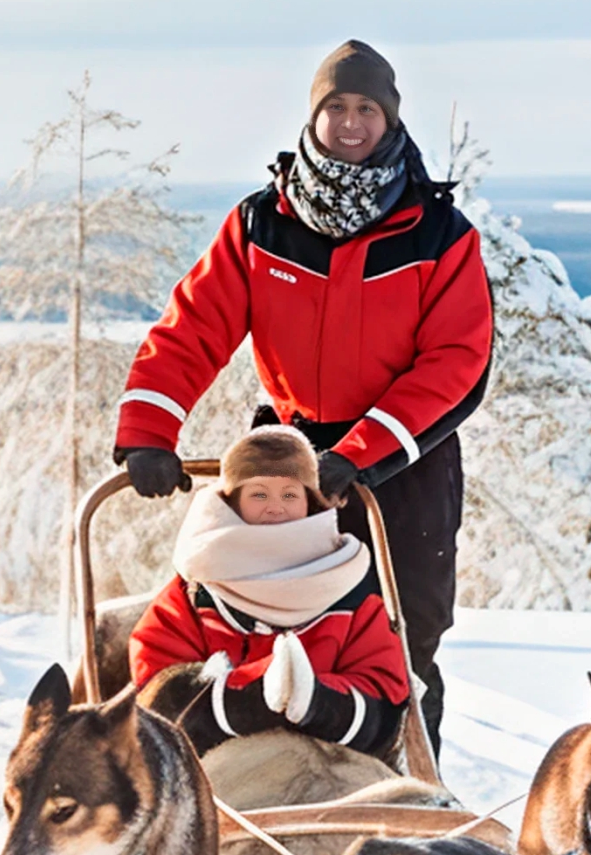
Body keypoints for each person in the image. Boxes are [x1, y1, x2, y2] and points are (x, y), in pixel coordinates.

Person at [112, 39, 491, 755]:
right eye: (336, 107)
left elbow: (457, 365)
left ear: (390, 120)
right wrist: (148, 430)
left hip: (402, 464)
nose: (351, 123)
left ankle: (405, 799)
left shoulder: (439, 235)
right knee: (253, 618)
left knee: (400, 640)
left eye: (367, 109)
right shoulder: (263, 225)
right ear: (314, 117)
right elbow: (193, 326)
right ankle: (249, 786)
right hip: (287, 459)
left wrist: (361, 455)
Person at [129, 427, 410, 758]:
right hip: (213, 769)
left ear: (311, 503)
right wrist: (247, 699)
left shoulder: (349, 587)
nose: (275, 508)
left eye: (289, 495)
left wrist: (320, 703)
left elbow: (384, 691)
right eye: (259, 495)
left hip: (332, 764)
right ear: (232, 503)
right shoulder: (197, 588)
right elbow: (157, 689)